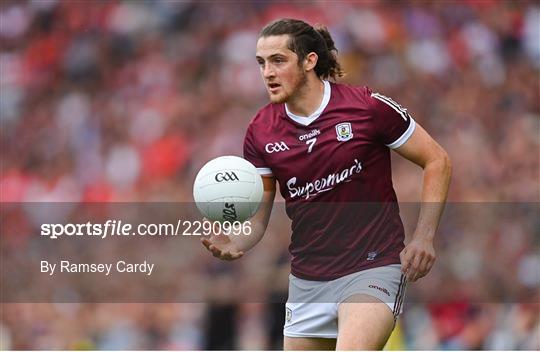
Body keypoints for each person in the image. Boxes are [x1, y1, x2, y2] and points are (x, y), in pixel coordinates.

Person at [202, 18, 451, 350]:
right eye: (261, 63)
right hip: (308, 282)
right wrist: (237, 242)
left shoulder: (366, 107)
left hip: (373, 267)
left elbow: (437, 160)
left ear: (309, 60)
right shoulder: (260, 132)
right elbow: (259, 219)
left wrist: (424, 236)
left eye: (278, 60)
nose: (267, 73)